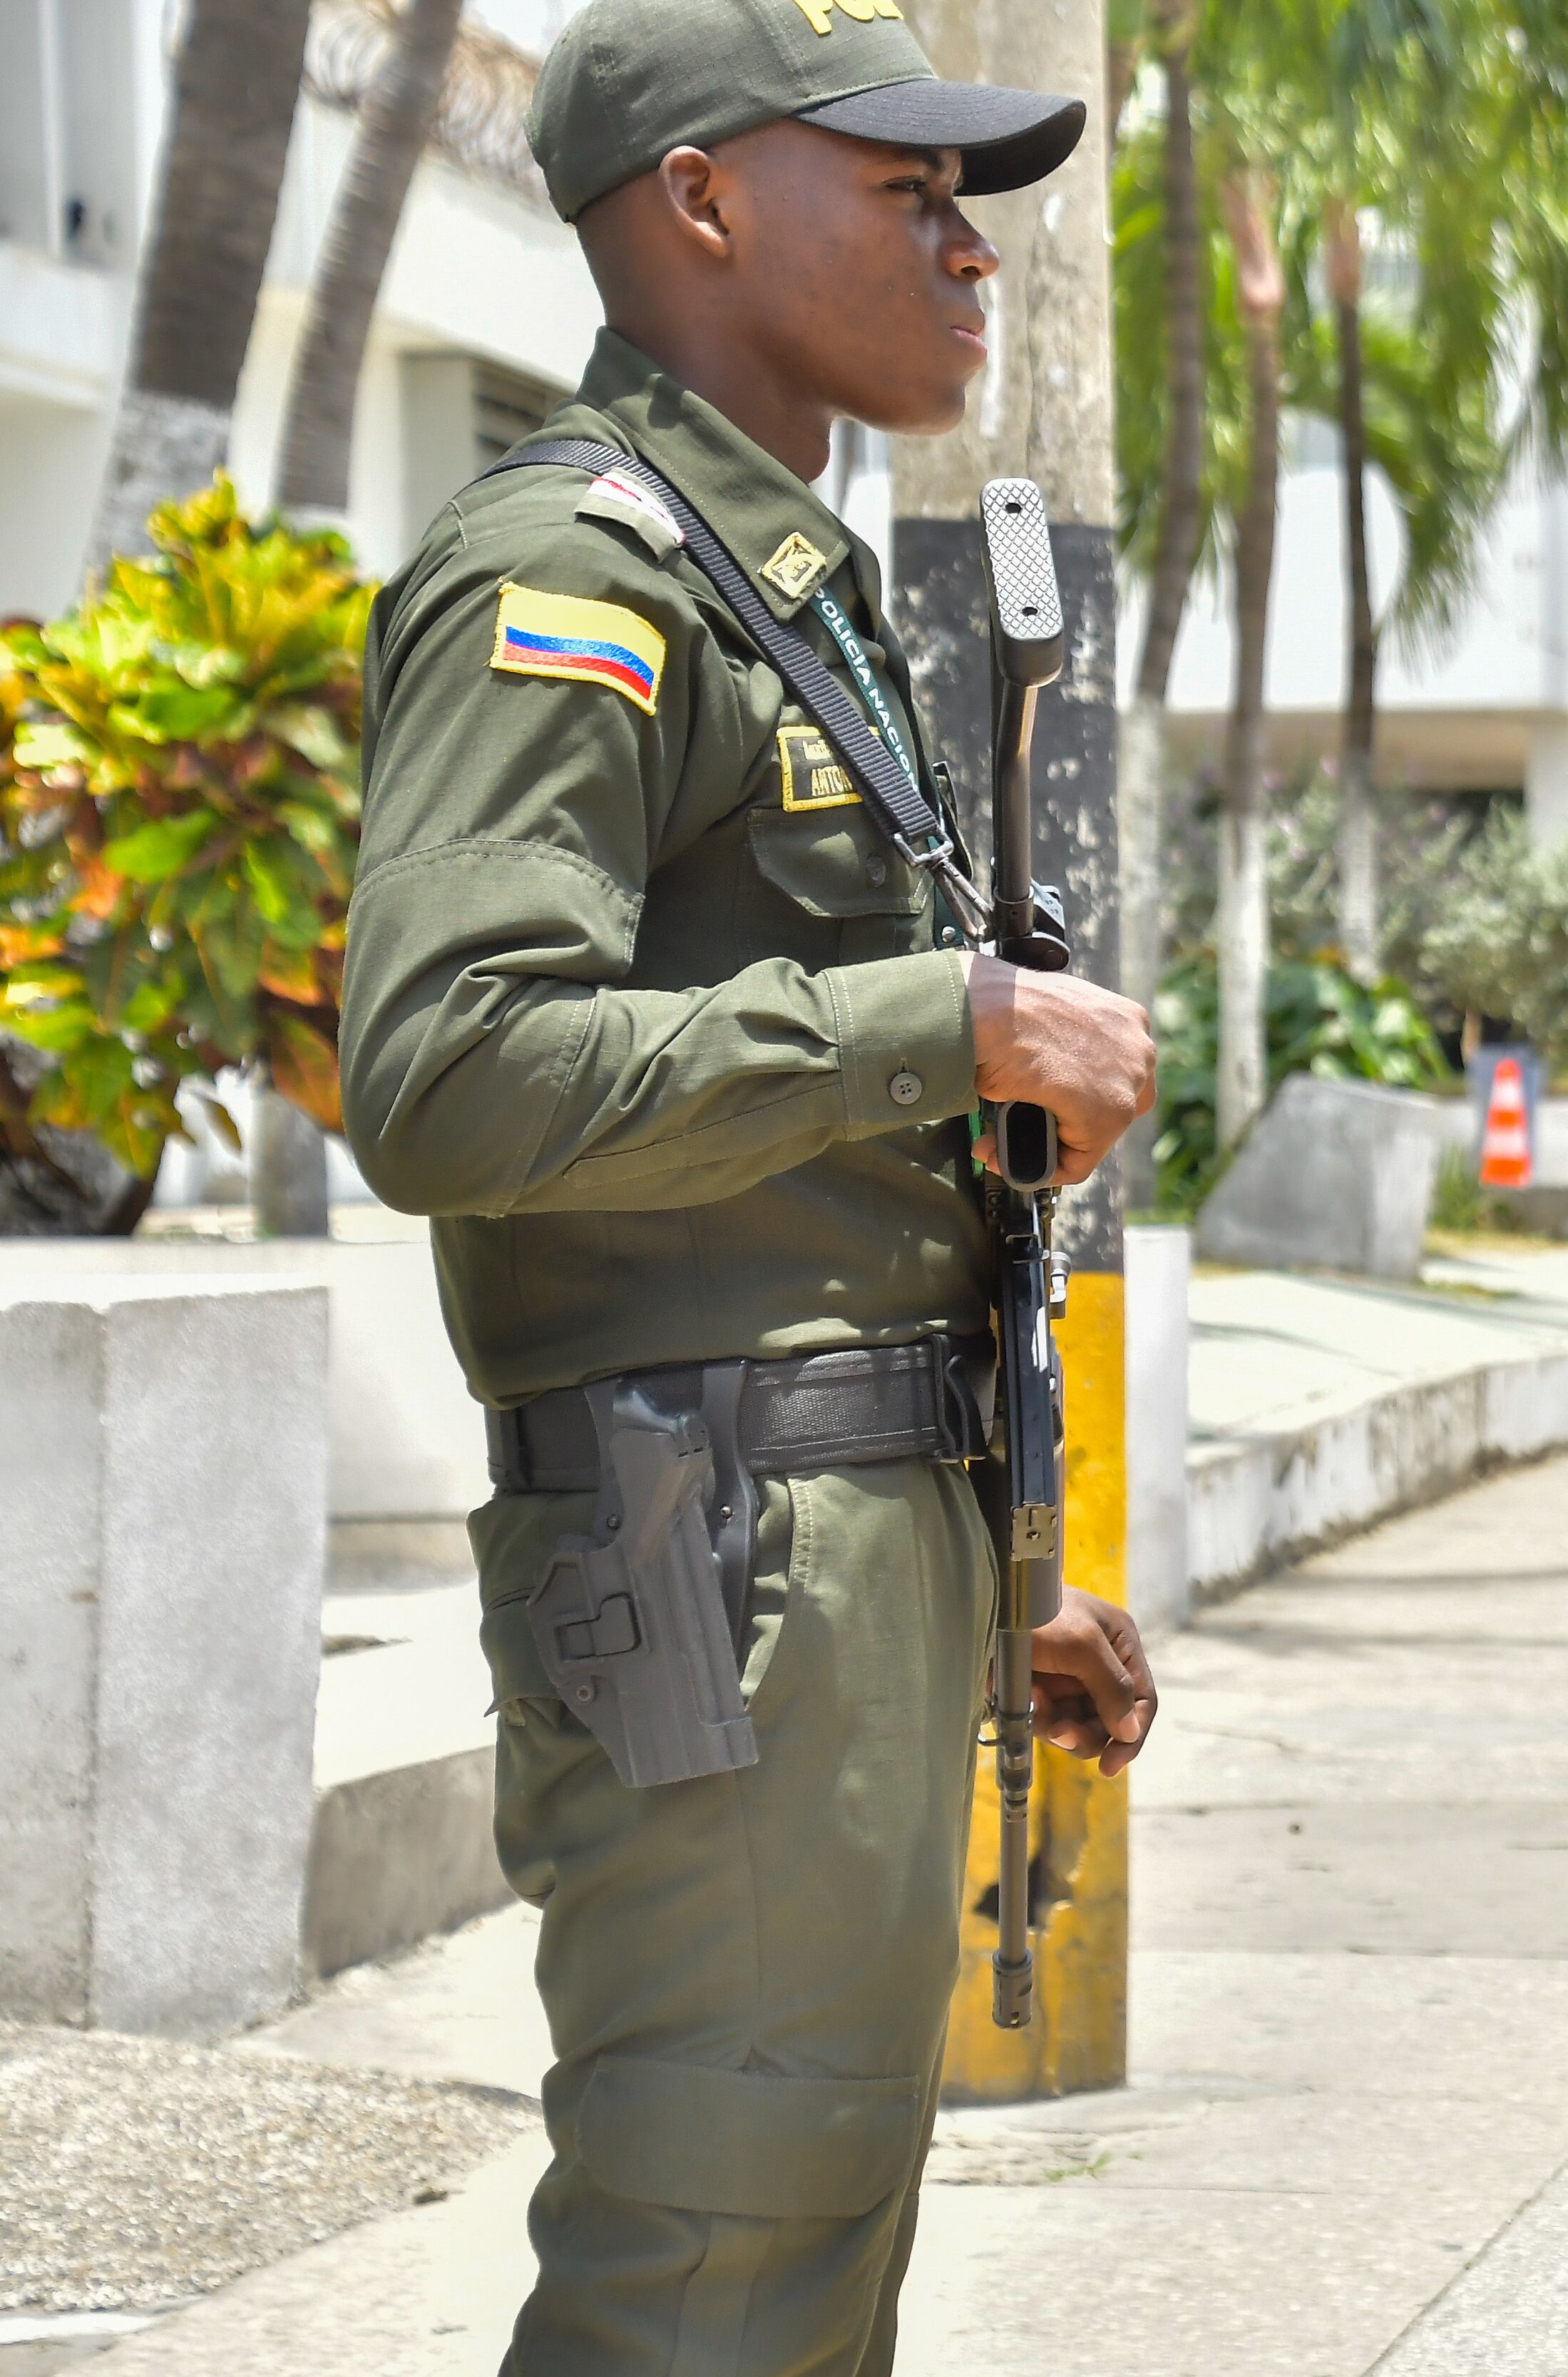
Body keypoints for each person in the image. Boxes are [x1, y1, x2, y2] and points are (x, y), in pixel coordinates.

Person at [337, 1, 1161, 2365]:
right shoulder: (572, 574)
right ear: (700, 201)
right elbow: (451, 1070)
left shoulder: (774, 584)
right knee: (710, 2269)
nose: (970, 244)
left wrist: (989, 1568)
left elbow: (825, 1212)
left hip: (824, 1550)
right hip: (718, 1557)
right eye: (904, 189)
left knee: (799, 2261)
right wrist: (954, 1019)